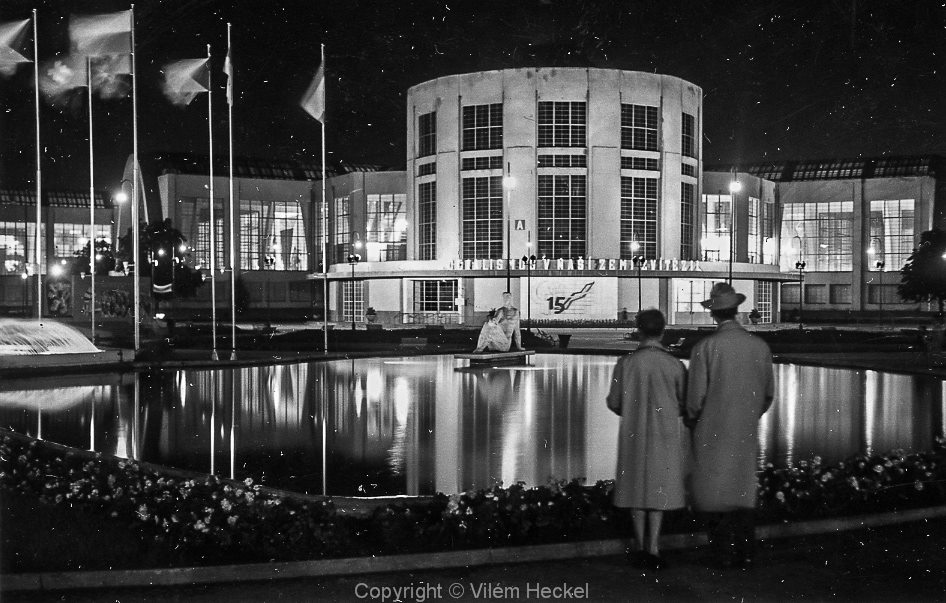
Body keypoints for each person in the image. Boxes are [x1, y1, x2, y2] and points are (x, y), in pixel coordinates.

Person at [686, 282, 774, 570]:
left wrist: (694, 419)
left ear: (714, 314)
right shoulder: (759, 346)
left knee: (715, 490)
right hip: (744, 427)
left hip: (712, 427)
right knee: (743, 488)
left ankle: (721, 553)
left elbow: (695, 398)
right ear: (737, 311)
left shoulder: (705, 348)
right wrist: (748, 414)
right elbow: (767, 394)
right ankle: (746, 552)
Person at [606, 309, 687, 569]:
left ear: (638, 330)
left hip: (633, 432)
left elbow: (614, 402)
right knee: (658, 487)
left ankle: (641, 545)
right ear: (663, 331)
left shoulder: (626, 363)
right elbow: (684, 402)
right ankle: (653, 547)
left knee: (635, 488)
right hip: (663, 433)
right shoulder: (674, 364)